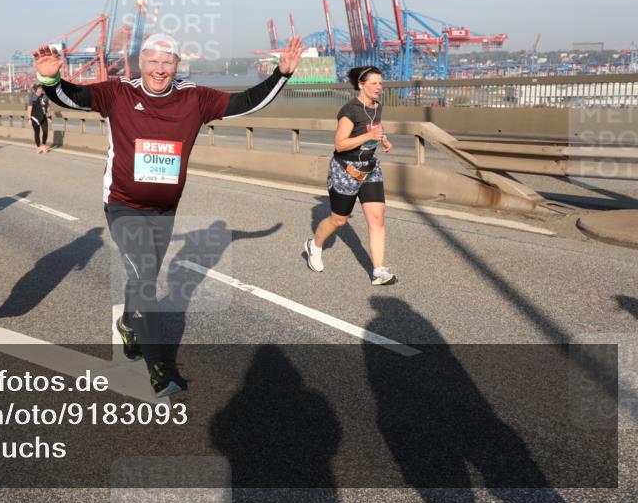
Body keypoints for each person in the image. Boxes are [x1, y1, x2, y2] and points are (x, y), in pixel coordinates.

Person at [34, 32, 303, 397]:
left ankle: (128, 323)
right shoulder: (119, 94)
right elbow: (73, 97)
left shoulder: (194, 98)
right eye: (153, 62)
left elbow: (244, 103)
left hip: (164, 209)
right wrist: (50, 79)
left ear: (177, 64)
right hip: (122, 204)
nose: (159, 70)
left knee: (143, 276)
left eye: (167, 62)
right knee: (146, 278)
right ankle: (160, 368)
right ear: (141, 63)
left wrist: (281, 75)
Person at [304, 65, 397, 286]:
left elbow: (375, 125)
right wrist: (368, 136)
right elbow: (340, 144)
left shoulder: (377, 106)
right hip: (345, 170)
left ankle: (378, 270)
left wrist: (383, 138)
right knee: (339, 220)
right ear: (361, 85)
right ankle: (314, 246)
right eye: (373, 83)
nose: (378, 87)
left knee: (377, 218)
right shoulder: (349, 111)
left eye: (380, 83)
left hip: (370, 168)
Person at [27, 84, 51, 153]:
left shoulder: (45, 96)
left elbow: (48, 106)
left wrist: (49, 116)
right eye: (38, 91)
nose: (40, 92)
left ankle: (43, 145)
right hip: (35, 118)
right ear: (35, 91)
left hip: (43, 116)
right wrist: (29, 119)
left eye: (41, 91)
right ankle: (38, 147)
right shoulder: (32, 97)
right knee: (37, 132)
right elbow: (29, 108)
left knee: (45, 131)